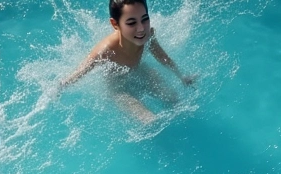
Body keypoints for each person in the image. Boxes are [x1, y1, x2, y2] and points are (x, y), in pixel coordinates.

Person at [59, 0, 196, 122]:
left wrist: (182, 77)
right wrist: (58, 88)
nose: (141, 28)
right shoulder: (105, 51)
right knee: (150, 120)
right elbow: (80, 72)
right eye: (131, 23)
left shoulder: (148, 35)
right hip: (118, 87)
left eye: (145, 19)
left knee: (175, 100)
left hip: (141, 71)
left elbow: (163, 58)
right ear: (115, 24)